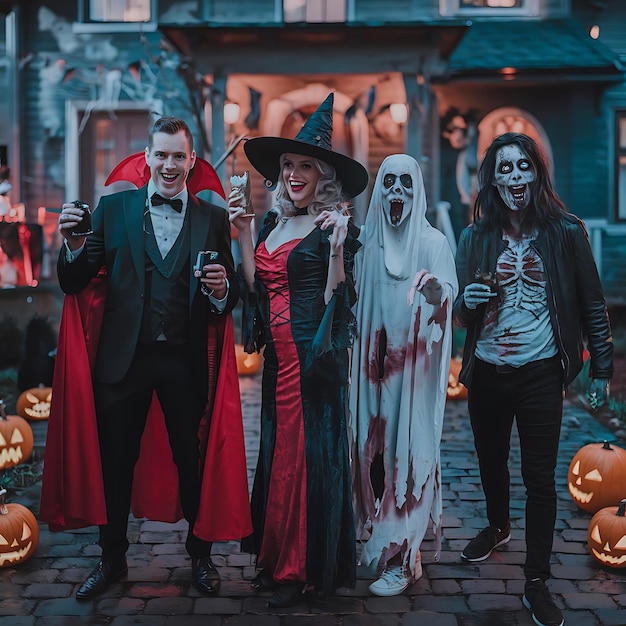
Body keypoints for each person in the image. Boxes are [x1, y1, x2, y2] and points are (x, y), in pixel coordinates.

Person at [52, 116, 251, 600]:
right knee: (115, 462)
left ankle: (200, 557)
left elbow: (229, 294)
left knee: (192, 461)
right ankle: (112, 557)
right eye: (160, 155)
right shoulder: (113, 209)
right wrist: (72, 243)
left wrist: (224, 291)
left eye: (178, 156)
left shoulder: (212, 219)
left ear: (191, 161)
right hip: (122, 362)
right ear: (146, 158)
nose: (169, 164)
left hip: (184, 361)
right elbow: (75, 282)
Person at [454, 132, 613, 626]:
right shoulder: (475, 237)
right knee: (490, 460)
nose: (513, 177)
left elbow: (592, 303)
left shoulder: (566, 231)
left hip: (541, 370)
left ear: (536, 175)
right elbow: (459, 311)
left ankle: (537, 580)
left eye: (522, 167)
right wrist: (468, 303)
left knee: (540, 478)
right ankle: (498, 525)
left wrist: (602, 369)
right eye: (504, 169)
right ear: (492, 179)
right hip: (487, 370)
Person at [228, 93, 369, 608]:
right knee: (277, 458)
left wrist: (336, 250)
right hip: (277, 366)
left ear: (323, 175)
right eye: (288, 164)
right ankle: (274, 557)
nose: (293, 173)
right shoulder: (272, 224)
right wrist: (243, 233)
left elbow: (340, 300)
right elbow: (256, 289)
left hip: (315, 365)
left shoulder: (334, 226)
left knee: (309, 461)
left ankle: (306, 568)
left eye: (305, 165)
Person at [349, 154, 458, 596]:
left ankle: (403, 556)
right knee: (373, 456)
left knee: (407, 458)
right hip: (372, 374)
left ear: (418, 191)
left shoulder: (432, 244)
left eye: (406, 183)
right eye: (388, 182)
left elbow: (445, 298)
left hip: (412, 375)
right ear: (379, 190)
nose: (397, 191)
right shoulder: (366, 246)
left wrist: (435, 293)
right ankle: (389, 542)